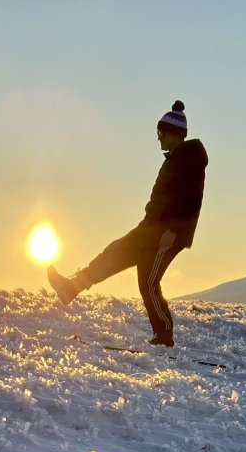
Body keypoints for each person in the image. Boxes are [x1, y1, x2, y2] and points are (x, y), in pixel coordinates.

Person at [47, 100, 208, 347]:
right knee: (116, 251)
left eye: (160, 133)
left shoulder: (189, 162)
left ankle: (164, 336)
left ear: (172, 133)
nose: (158, 138)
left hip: (167, 234)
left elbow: (190, 202)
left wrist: (172, 232)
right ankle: (71, 288)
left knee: (148, 282)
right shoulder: (177, 159)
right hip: (151, 228)